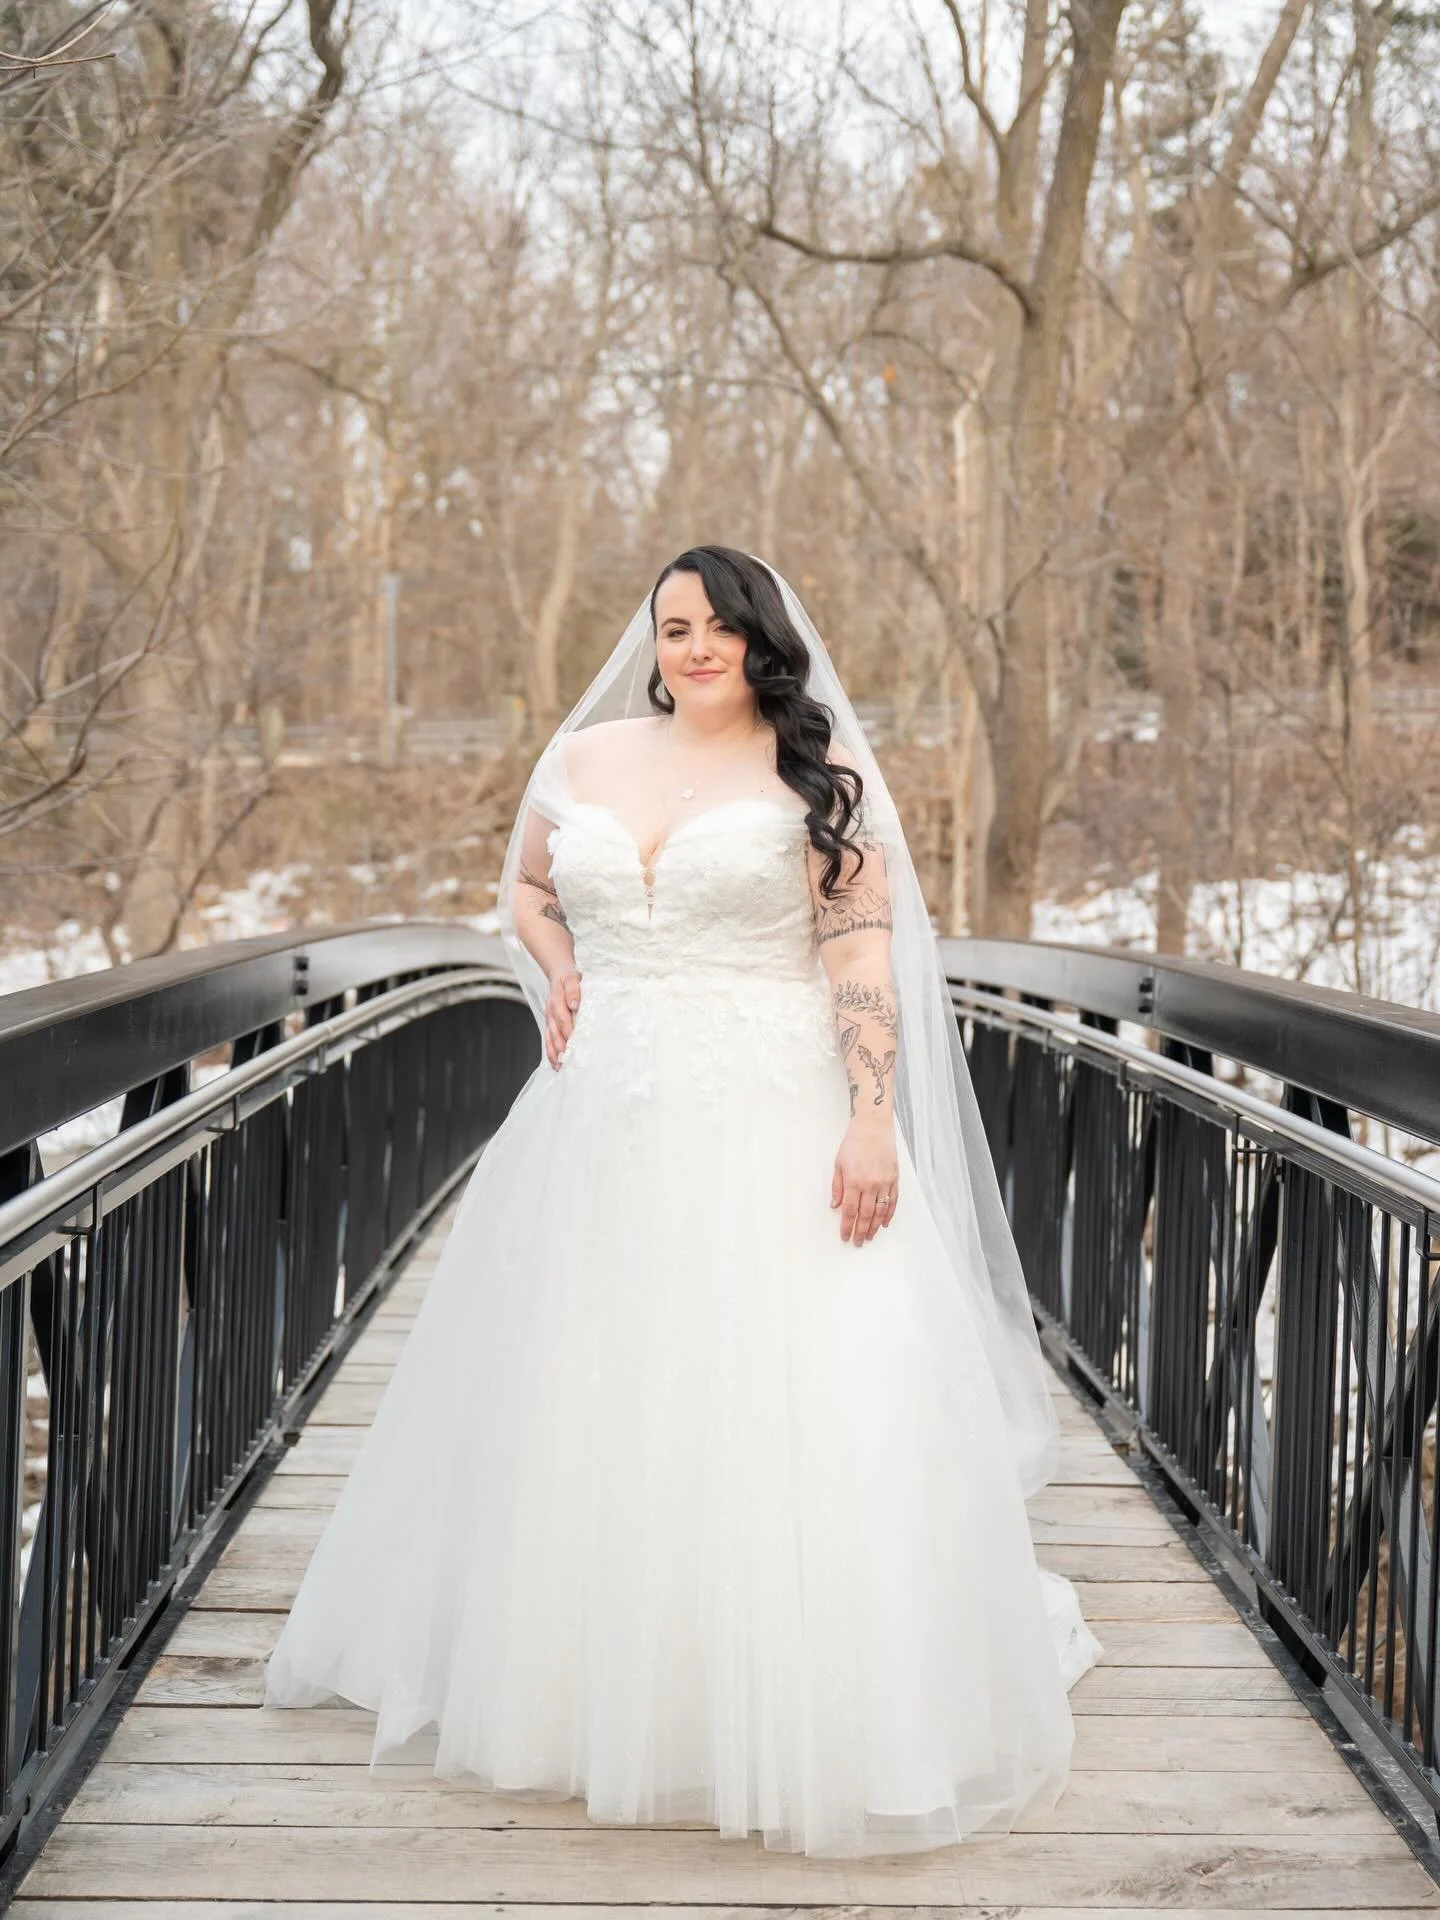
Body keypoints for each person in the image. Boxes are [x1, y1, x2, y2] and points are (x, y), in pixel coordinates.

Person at [263, 545, 1101, 1858]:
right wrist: (559, 967)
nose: (694, 646)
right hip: (601, 1116)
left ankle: (793, 1693)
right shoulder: (588, 759)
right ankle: (601, 1683)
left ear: (763, 639)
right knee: (599, 1389)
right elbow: (530, 889)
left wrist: (874, 1119)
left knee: (779, 1391)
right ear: (650, 642)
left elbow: (860, 955)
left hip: (775, 1112)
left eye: (717, 626)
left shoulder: (816, 780)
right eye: (673, 627)